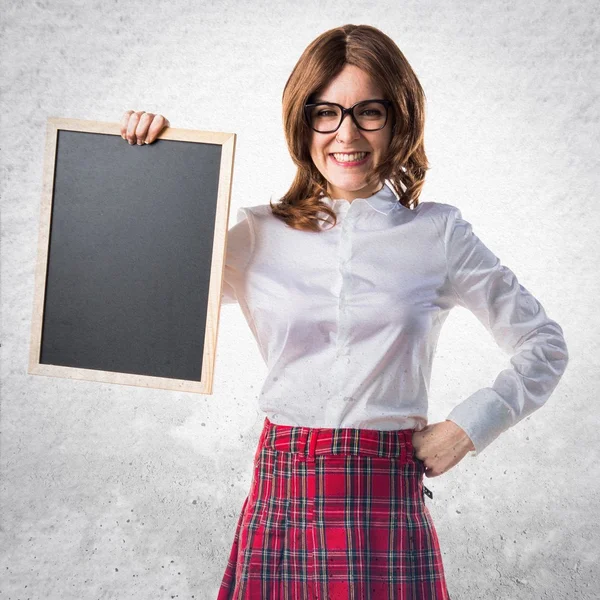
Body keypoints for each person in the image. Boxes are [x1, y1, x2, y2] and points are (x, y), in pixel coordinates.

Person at [120, 23, 569, 600]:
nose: (346, 134)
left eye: (369, 112)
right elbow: (149, 295)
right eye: (325, 112)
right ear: (302, 122)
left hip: (385, 491)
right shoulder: (257, 233)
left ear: (399, 118)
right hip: (282, 489)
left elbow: (544, 344)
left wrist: (468, 427)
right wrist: (146, 165)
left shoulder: (441, 234)